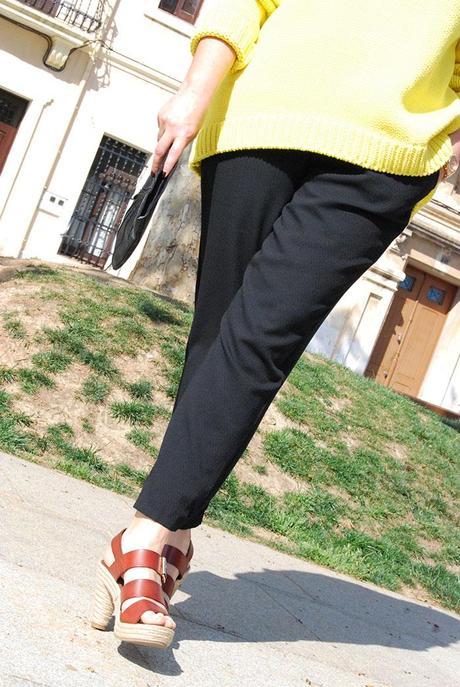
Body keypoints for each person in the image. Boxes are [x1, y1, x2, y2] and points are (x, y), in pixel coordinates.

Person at [90, 0, 460, 649]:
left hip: (386, 157)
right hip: (260, 114)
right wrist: (194, 90)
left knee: (262, 336)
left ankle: (143, 539)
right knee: (218, 337)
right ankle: (174, 535)